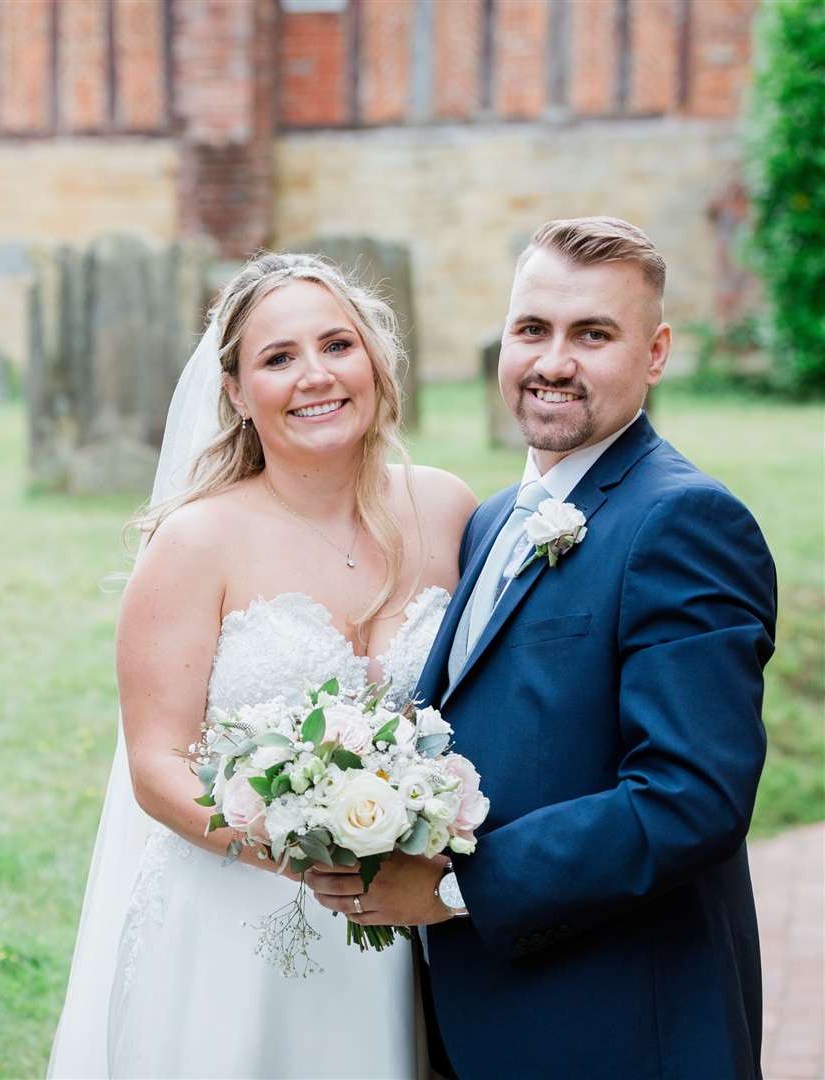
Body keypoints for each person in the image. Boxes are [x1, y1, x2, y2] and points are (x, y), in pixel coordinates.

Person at [308, 217, 777, 1078]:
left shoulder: (684, 521)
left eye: (592, 334)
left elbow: (691, 797)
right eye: (533, 329)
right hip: (486, 1017)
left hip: (620, 1024)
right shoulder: (491, 520)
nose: (552, 362)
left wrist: (454, 885)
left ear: (657, 352)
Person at [46, 252, 477, 1079]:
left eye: (337, 346)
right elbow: (155, 763)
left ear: (375, 361)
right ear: (239, 393)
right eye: (279, 359)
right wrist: (308, 852)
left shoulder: (447, 508)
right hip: (232, 923)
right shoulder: (195, 542)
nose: (315, 375)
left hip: (403, 927)